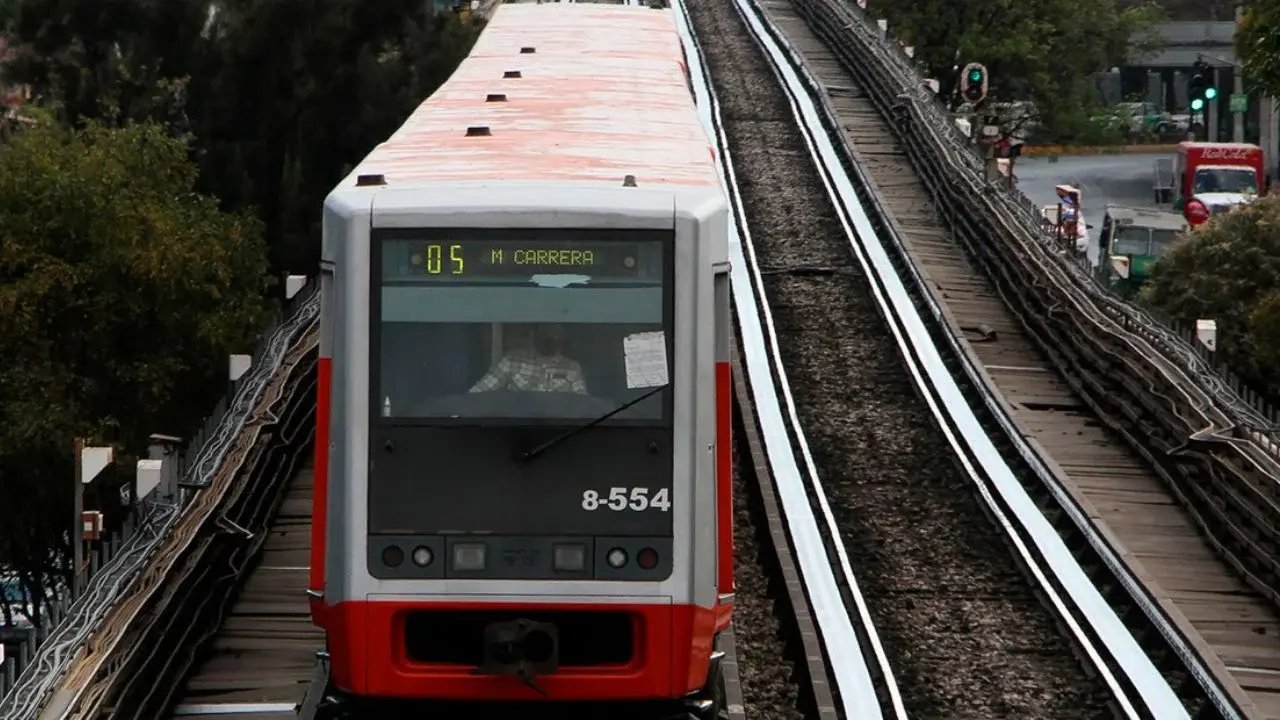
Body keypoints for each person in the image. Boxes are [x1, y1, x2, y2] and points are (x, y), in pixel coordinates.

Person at [470, 323, 588, 394]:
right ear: (533, 334)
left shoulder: (572, 368)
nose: (551, 336)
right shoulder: (511, 362)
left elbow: (583, 407)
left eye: (555, 332)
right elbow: (478, 395)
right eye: (546, 331)